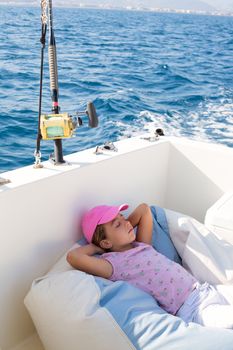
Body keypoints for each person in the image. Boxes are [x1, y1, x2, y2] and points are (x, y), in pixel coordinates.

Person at [67, 203, 233, 329]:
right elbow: (73, 257)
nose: (126, 223)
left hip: (207, 290)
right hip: (193, 310)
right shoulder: (113, 264)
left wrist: (124, 226)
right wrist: (98, 247)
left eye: (123, 218)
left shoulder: (141, 245)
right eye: (117, 225)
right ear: (106, 242)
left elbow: (144, 210)